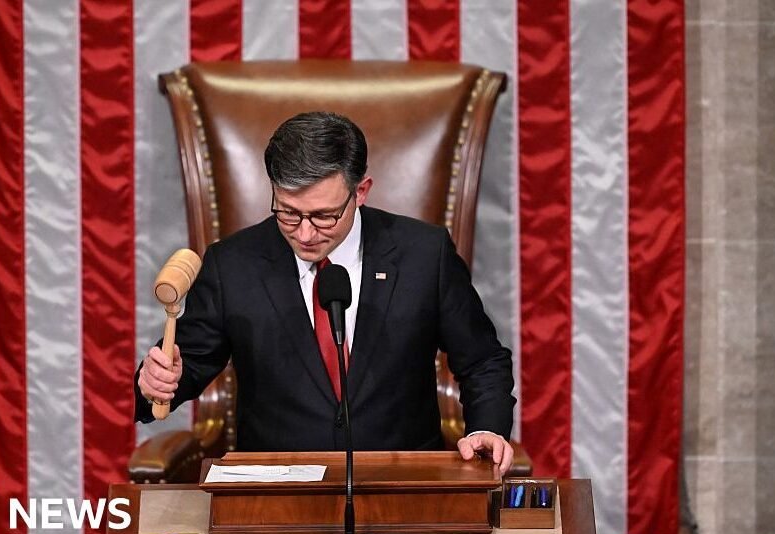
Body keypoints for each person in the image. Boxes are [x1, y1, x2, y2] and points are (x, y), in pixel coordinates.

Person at [135, 111, 516, 474]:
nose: (304, 234)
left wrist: (487, 429)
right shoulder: (232, 265)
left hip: (400, 483)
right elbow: (182, 370)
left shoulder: (424, 255)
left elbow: (483, 360)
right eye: (288, 213)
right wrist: (157, 384)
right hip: (276, 494)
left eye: (323, 216)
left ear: (360, 191)